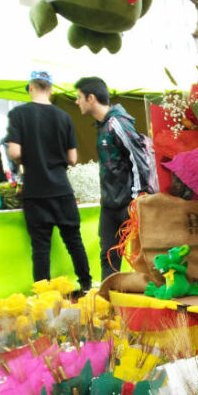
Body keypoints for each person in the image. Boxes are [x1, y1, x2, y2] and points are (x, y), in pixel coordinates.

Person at [7, 70, 92, 292]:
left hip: (35, 192)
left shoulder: (18, 114)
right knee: (74, 242)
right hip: (62, 190)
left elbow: (15, 152)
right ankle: (85, 286)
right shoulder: (64, 117)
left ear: (31, 87)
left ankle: (43, 297)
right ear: (52, 90)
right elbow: (73, 158)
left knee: (41, 249)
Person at [74, 76, 154, 280]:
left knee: (142, 258)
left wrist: (137, 198)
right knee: (108, 256)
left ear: (90, 98)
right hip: (110, 204)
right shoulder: (102, 126)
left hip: (128, 203)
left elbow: (139, 159)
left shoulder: (116, 123)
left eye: (79, 97)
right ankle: (109, 304)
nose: (76, 102)